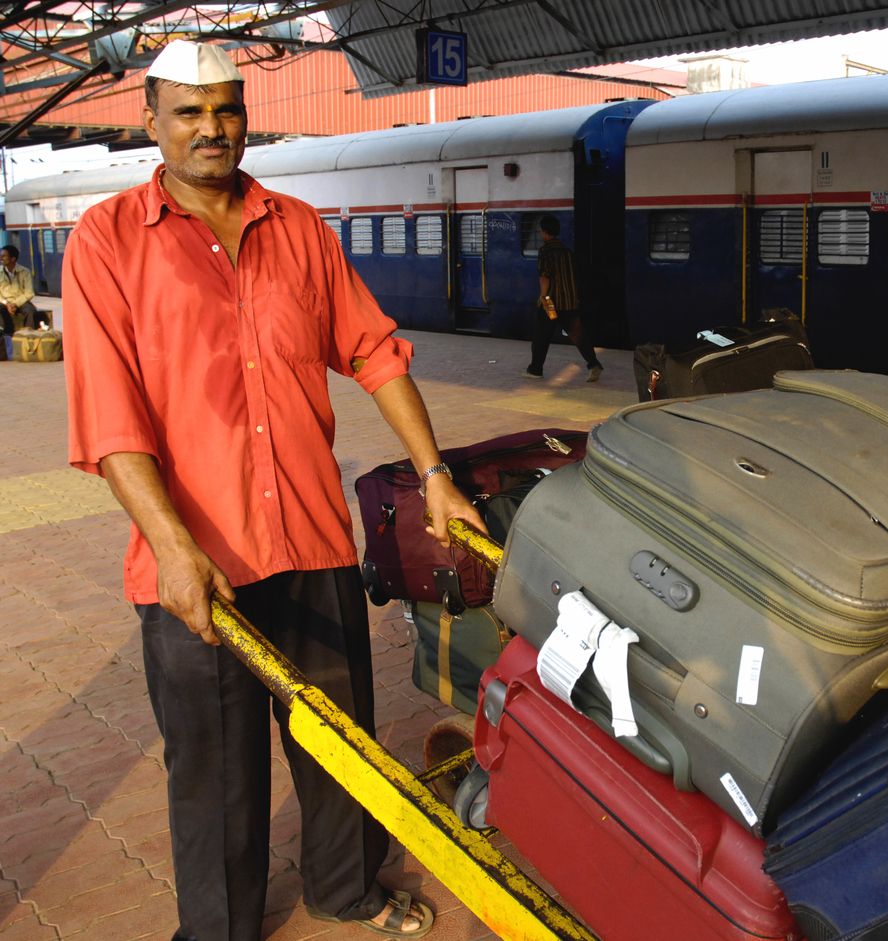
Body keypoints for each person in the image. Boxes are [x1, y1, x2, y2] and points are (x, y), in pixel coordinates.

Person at [62, 41, 483, 941]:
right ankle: (219, 930)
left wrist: (436, 476)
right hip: (197, 558)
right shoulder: (106, 241)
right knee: (214, 768)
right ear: (151, 122)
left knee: (341, 745)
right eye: (188, 112)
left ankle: (347, 887)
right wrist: (174, 549)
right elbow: (110, 419)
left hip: (311, 540)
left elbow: (374, 350)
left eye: (226, 109)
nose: (212, 128)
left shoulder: (299, 229)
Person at [523, 214, 603, 382]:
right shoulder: (567, 252)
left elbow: (545, 276)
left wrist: (543, 297)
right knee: (577, 333)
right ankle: (593, 364)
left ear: (545, 232)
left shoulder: (545, 251)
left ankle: (535, 369)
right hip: (569, 302)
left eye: (540, 231)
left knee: (541, 336)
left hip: (550, 303)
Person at [0, 244, 40, 332]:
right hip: (4, 302)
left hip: (21, 301)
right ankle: (2, 335)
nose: (1, 258)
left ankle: (28, 335)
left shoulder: (25, 272)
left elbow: (29, 293)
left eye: (4, 256)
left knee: (31, 311)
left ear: (13, 258)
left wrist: (15, 304)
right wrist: (7, 303)